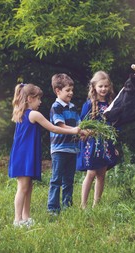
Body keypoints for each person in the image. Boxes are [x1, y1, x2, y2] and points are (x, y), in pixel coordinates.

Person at [9, 83, 81, 228]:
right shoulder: (33, 114)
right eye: (38, 99)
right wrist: (74, 130)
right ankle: (17, 220)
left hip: (27, 154)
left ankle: (26, 217)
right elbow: (54, 128)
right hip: (24, 155)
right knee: (23, 187)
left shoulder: (21, 113)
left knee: (28, 187)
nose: (41, 102)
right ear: (30, 98)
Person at [76, 71, 119, 209]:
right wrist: (88, 132)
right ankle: (83, 204)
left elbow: (115, 125)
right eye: (100, 86)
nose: (103, 89)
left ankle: (96, 204)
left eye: (106, 86)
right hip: (92, 143)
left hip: (107, 143)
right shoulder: (89, 105)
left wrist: (115, 145)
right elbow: (82, 124)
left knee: (101, 174)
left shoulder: (111, 104)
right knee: (91, 173)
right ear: (94, 87)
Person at [47, 73, 82, 214]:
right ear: (58, 91)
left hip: (72, 149)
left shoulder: (72, 107)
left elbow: (79, 124)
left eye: (72, 90)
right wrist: (76, 130)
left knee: (69, 179)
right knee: (56, 179)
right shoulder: (56, 107)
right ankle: (53, 208)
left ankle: (67, 206)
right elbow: (60, 125)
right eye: (68, 90)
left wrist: (84, 131)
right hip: (59, 149)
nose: (71, 93)